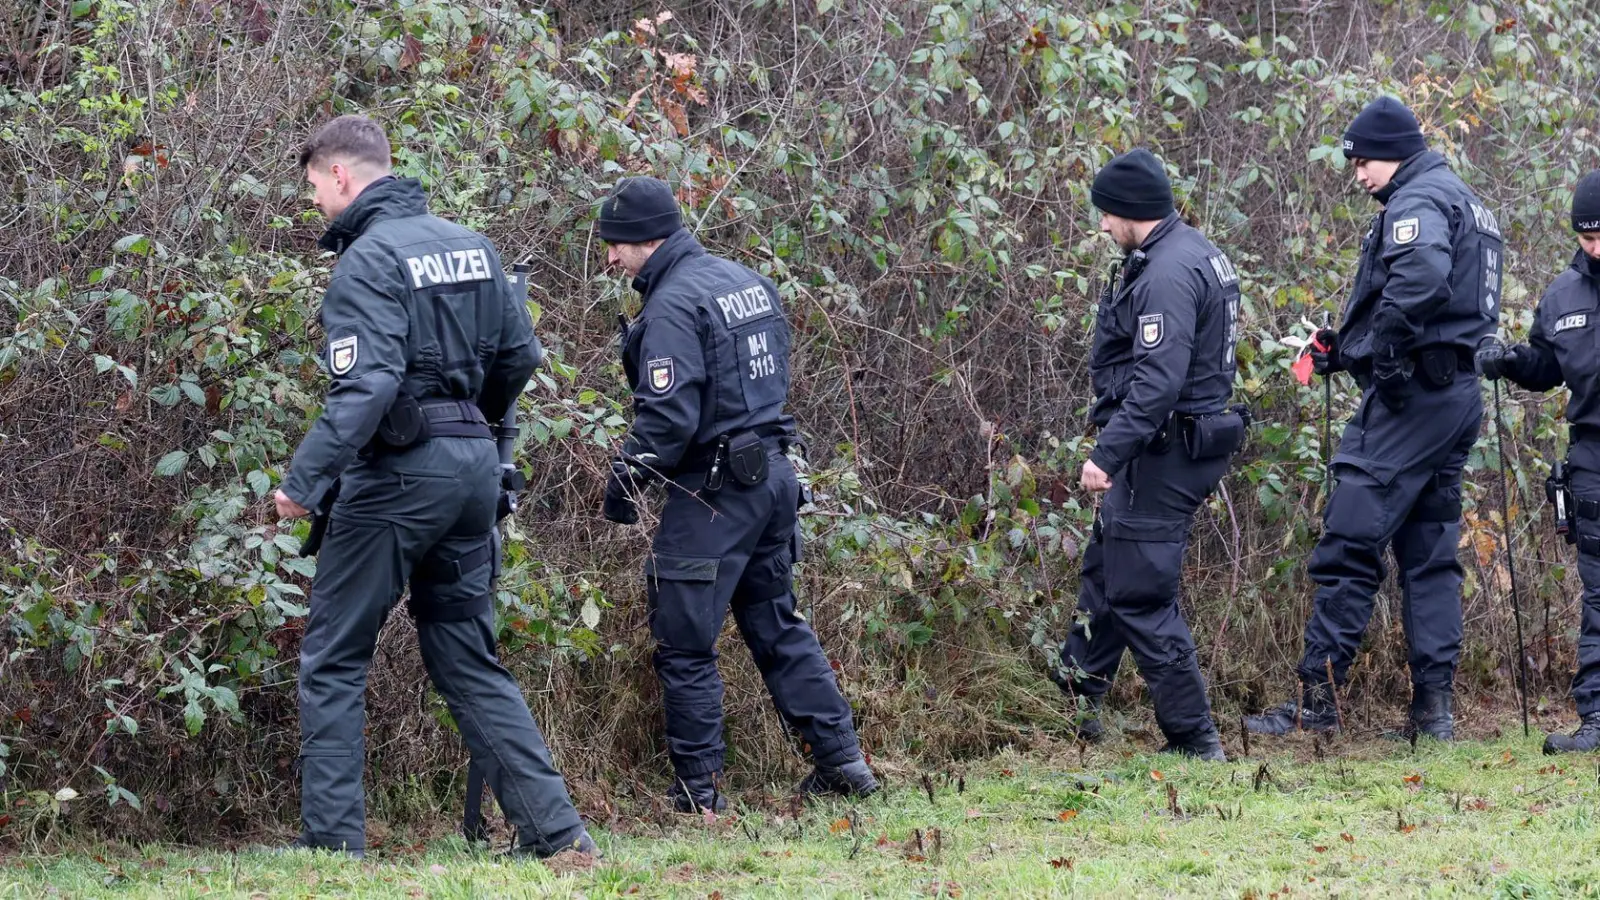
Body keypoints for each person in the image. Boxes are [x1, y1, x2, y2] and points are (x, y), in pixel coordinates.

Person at [272, 115, 595, 858]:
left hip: (396, 480)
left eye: (316, 186)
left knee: (335, 653)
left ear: (342, 176)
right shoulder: (473, 246)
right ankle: (557, 834)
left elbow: (369, 385)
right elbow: (520, 356)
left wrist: (304, 481)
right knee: (464, 656)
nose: (318, 202)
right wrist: (472, 431)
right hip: (474, 470)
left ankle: (331, 843)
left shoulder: (368, 259)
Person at [596, 175, 877, 811]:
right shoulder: (747, 282)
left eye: (615, 244)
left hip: (712, 492)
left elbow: (668, 417)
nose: (611, 258)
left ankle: (697, 794)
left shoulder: (671, 305)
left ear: (647, 238)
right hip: (774, 476)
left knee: (684, 641)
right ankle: (843, 764)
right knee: (777, 622)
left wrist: (627, 477)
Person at [1245, 96, 1502, 741]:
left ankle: (1317, 705)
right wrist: (1347, 347)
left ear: (1395, 151)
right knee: (1429, 552)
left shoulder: (1418, 200)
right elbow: (1439, 307)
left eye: (1363, 161)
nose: (1358, 174)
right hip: (1453, 395)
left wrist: (1384, 353)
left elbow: (1419, 278)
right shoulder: (1463, 199)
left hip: (1410, 402)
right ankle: (1432, 714)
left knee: (1349, 538)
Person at [1052, 148, 1247, 762]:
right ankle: (1076, 703)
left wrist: (1106, 454)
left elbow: (1158, 384)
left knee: (1138, 592)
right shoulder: (1192, 251)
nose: (1103, 227)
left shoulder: (1165, 273)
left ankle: (1194, 738)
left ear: (1131, 211)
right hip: (1173, 444)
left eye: (1107, 215)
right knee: (1107, 571)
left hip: (1162, 452)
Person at [1475, 171, 1600, 753]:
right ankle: (1597, 721)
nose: (1596, 247)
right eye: (1587, 237)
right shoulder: (1562, 295)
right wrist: (1509, 362)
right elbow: (1548, 368)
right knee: (1599, 591)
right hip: (1593, 453)